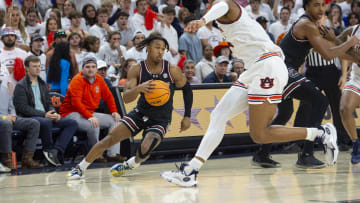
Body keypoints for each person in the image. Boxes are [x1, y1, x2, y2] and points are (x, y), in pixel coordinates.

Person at [160, 0, 348, 187]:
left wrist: (203, 20)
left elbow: (223, 6)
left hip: (267, 66)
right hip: (254, 69)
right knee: (218, 115)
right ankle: (191, 171)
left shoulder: (227, 5)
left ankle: (321, 133)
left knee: (260, 134)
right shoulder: (224, 12)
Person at [67, 35, 193, 180]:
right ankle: (80, 168)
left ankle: (131, 164)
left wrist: (187, 116)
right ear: (148, 48)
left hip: (161, 118)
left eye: (163, 49)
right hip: (140, 113)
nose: (160, 52)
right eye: (157, 48)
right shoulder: (137, 69)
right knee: (109, 139)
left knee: (145, 148)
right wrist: (139, 88)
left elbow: (187, 89)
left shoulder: (172, 70)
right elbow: (126, 98)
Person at [252, 0, 360, 169]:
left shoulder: (313, 25)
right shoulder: (307, 25)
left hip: (279, 69)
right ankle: (306, 154)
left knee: (286, 112)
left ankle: (262, 153)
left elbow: (329, 47)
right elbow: (328, 55)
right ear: (306, 7)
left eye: (323, 5)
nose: (321, 9)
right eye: (316, 5)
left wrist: (341, 44)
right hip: (283, 68)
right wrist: (349, 43)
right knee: (320, 101)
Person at [13, 55, 78, 166]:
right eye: (34, 66)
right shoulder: (21, 86)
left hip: (45, 116)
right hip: (30, 118)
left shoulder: (42, 84)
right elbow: (22, 108)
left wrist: (53, 113)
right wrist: (45, 115)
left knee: (71, 123)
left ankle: (56, 151)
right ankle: (48, 150)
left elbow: (49, 103)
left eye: (39, 66)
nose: (38, 69)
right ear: (27, 68)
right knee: (46, 121)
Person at [60, 56, 125, 163]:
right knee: (94, 124)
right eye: (88, 67)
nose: (90, 69)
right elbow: (76, 103)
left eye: (93, 67)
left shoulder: (99, 79)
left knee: (116, 120)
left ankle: (112, 154)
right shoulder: (77, 80)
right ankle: (96, 154)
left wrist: (114, 111)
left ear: (96, 69)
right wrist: (90, 117)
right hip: (71, 113)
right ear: (82, 68)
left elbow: (108, 97)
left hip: (88, 112)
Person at [0, 79, 42, 170]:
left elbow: (11, 106)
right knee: (6, 123)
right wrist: (3, 117)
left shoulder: (4, 88)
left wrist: (13, 115)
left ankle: (27, 159)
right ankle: (6, 160)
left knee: (34, 123)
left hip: (9, 118)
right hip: (3, 120)